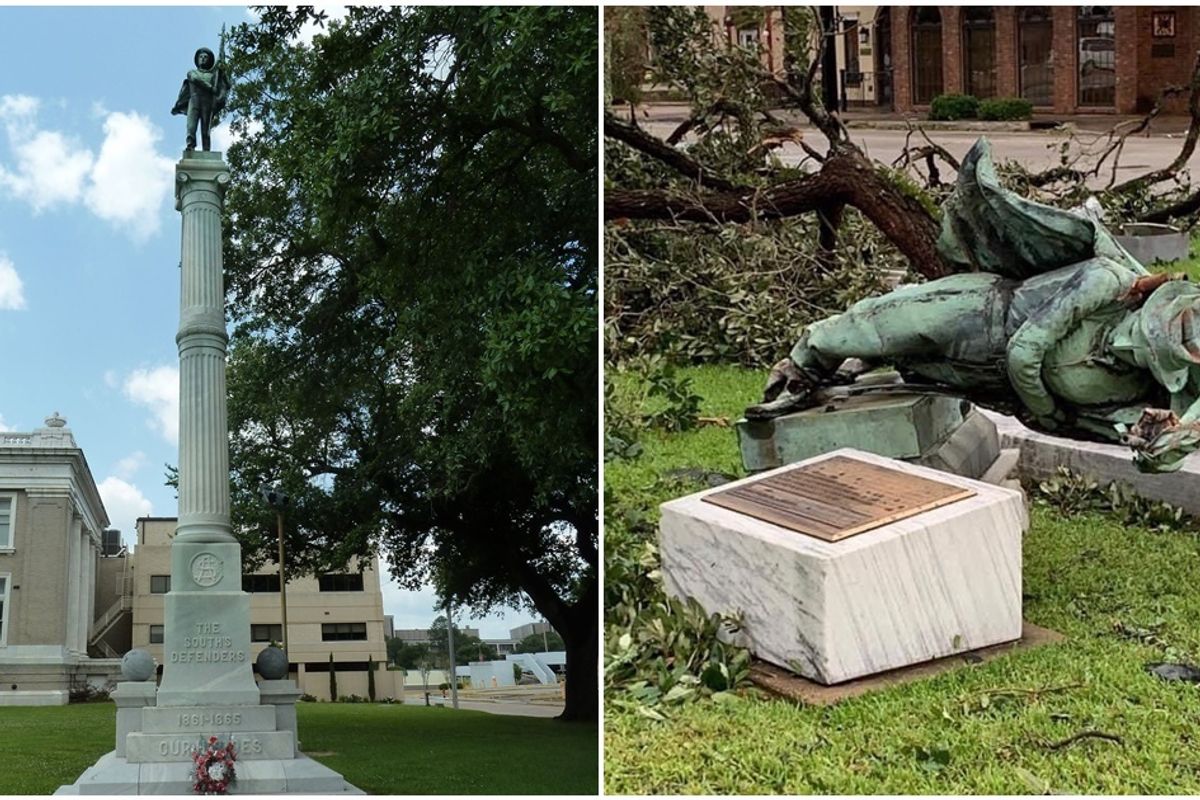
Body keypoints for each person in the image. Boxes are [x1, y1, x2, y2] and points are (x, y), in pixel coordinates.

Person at [752, 138, 1200, 473]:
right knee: (880, 324)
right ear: (1145, 306)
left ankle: (852, 368)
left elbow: (1147, 454)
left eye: (1147, 355)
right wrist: (1046, 409)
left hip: (990, 382)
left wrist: (1177, 438)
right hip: (983, 315)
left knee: (912, 368)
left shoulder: (1137, 395)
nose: (1128, 348)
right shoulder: (1108, 280)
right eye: (1139, 335)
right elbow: (1026, 349)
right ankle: (800, 367)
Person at [171, 47, 231, 152]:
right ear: (197, 59)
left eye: (205, 57)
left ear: (209, 60)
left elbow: (227, 85)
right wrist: (210, 87)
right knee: (191, 126)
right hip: (194, 101)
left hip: (207, 103)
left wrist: (222, 72)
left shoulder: (212, 75)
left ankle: (206, 149)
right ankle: (190, 145)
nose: (203, 59)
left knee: (206, 129)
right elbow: (195, 79)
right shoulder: (192, 72)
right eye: (201, 57)